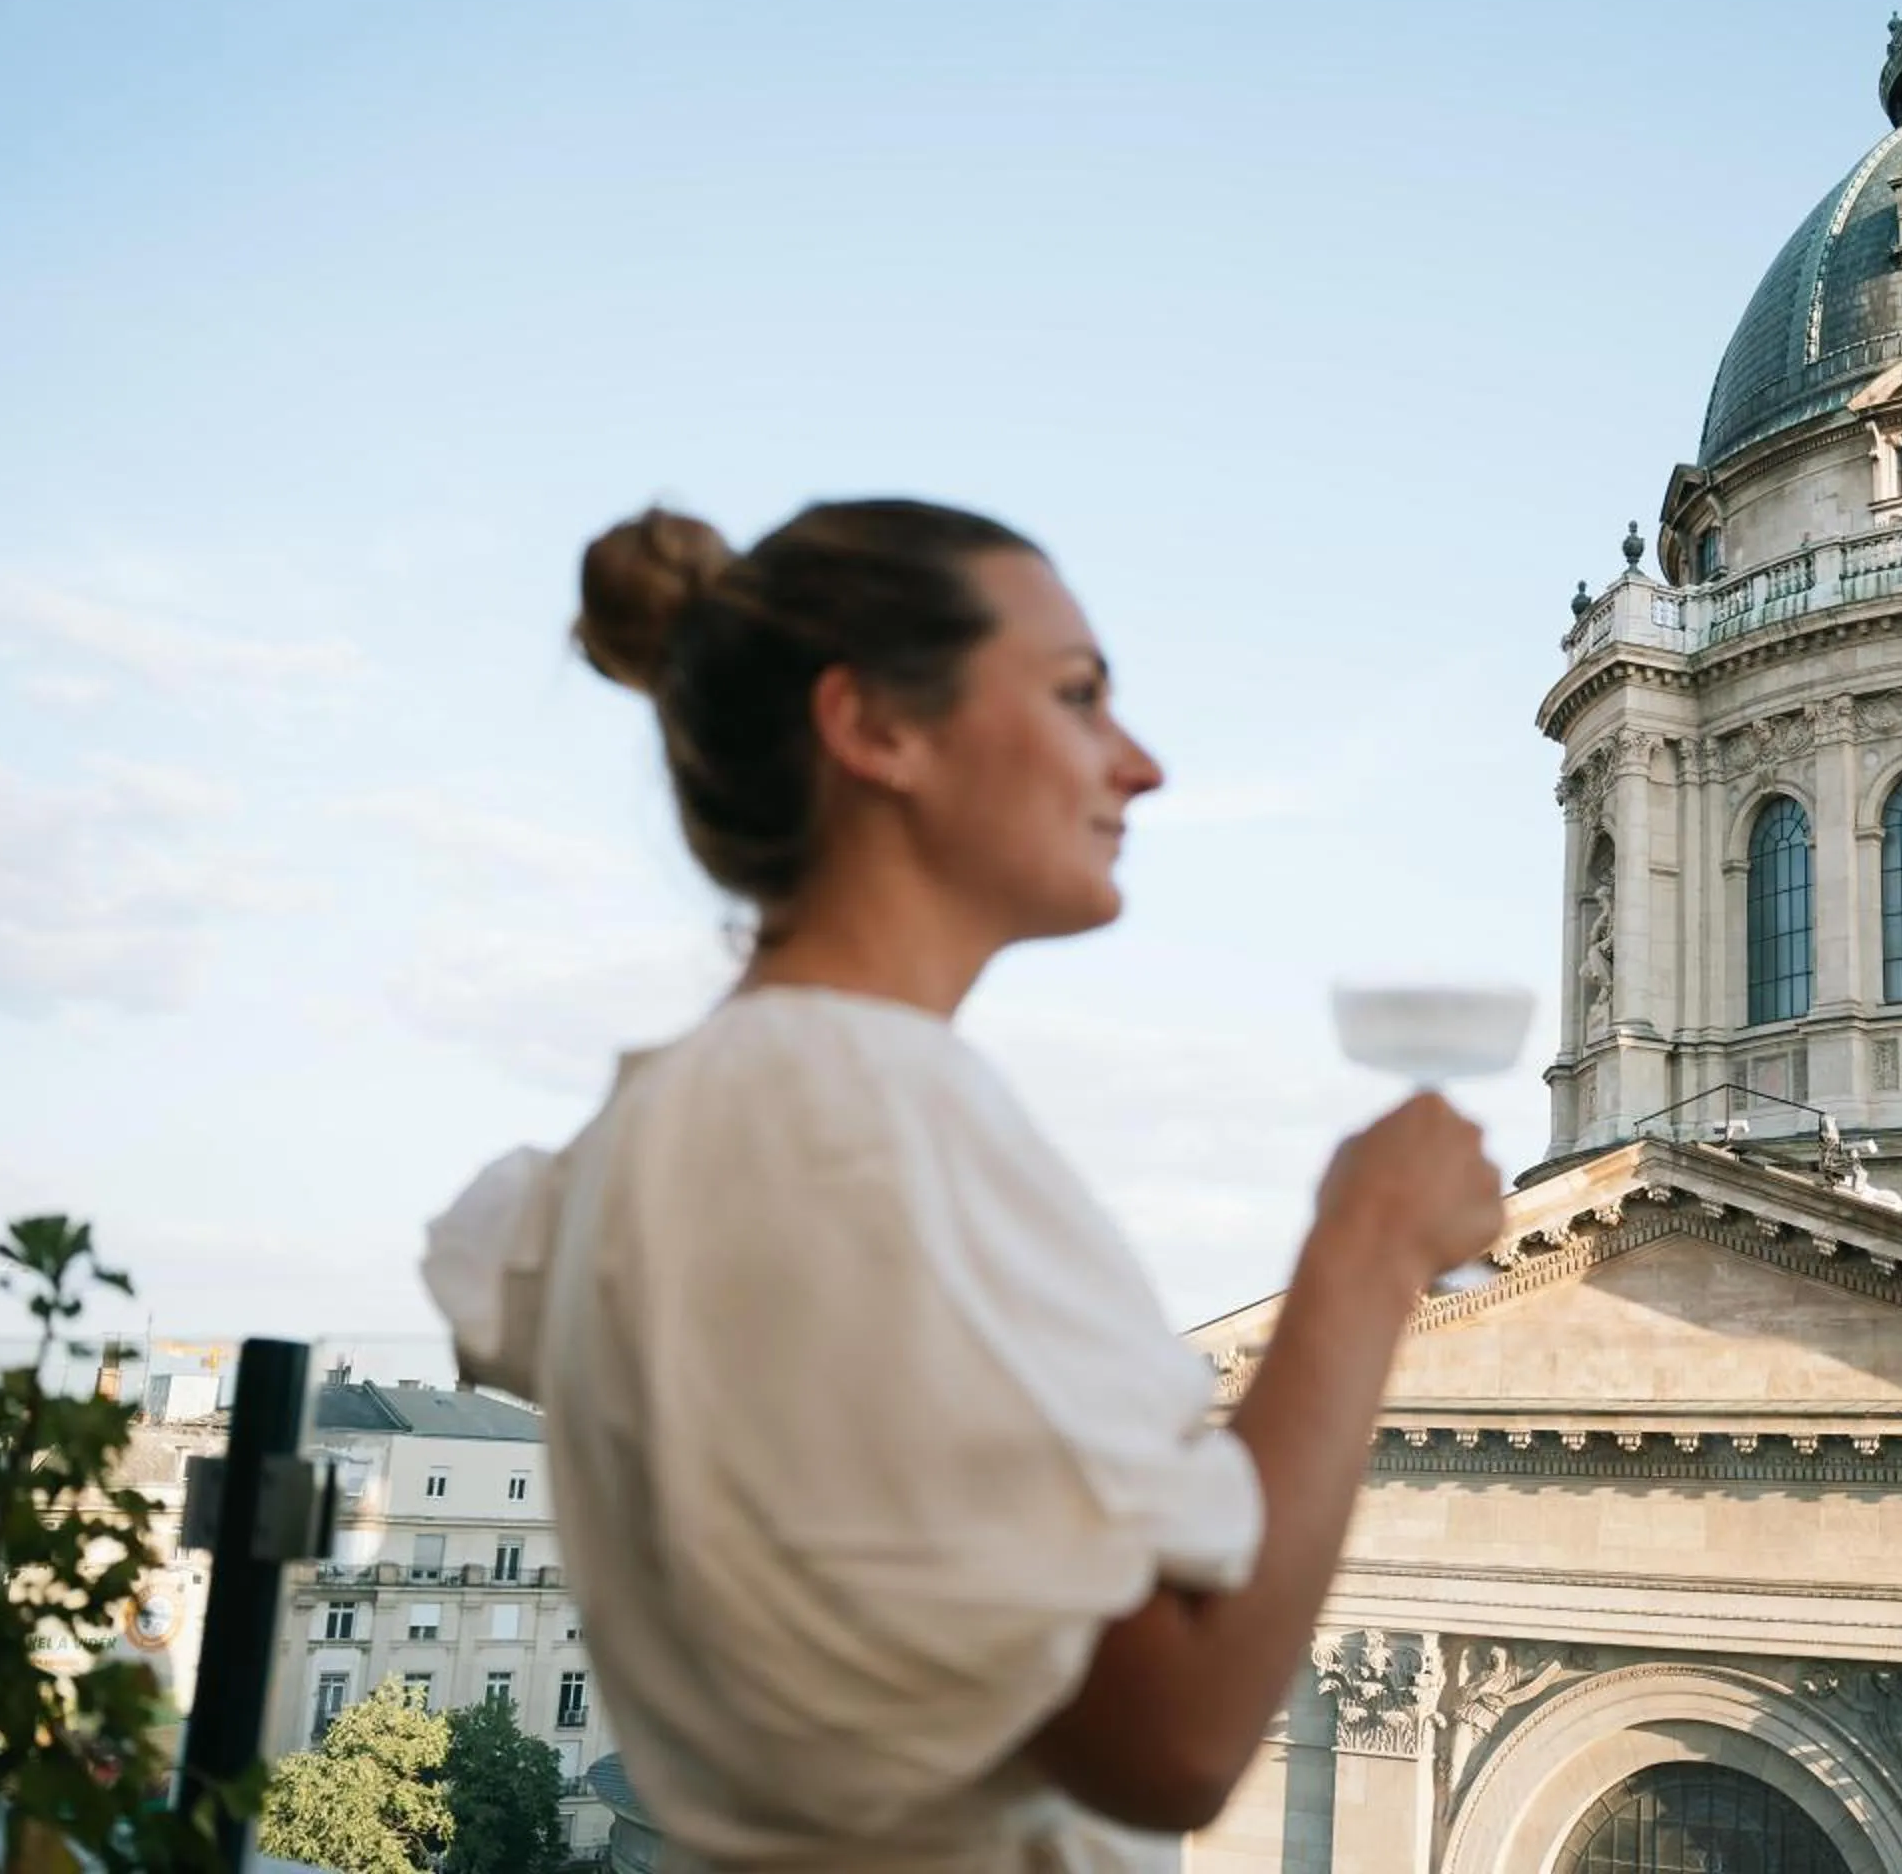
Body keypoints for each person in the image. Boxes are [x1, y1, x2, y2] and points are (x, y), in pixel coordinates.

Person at [418, 500, 1503, 1872]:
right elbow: (1172, 1737)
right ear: (875, 730)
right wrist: (1366, 1249)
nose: (1144, 763)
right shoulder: (862, 1126)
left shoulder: (641, 1148)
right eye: (1078, 696)